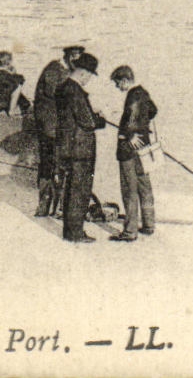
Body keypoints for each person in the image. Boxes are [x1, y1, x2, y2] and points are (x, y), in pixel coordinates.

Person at [55, 53, 108, 243]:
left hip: (68, 146)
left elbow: (74, 116)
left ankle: (70, 231)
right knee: (79, 190)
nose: (89, 80)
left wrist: (90, 115)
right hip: (80, 148)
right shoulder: (75, 90)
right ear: (84, 73)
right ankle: (75, 232)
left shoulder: (62, 88)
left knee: (71, 189)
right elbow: (87, 122)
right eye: (90, 75)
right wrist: (100, 119)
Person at [33, 46, 86, 217]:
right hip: (49, 125)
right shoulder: (54, 69)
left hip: (58, 125)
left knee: (59, 164)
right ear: (69, 56)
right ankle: (44, 205)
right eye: (75, 58)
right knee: (49, 163)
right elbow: (55, 93)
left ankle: (57, 206)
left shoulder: (66, 70)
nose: (77, 62)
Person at [109, 65, 158, 242]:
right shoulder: (144, 93)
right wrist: (142, 128)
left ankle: (130, 231)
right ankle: (149, 224)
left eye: (117, 83)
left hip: (128, 151)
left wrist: (130, 134)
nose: (117, 87)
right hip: (143, 147)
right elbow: (153, 110)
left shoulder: (132, 96)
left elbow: (129, 121)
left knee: (129, 189)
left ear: (124, 80)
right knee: (145, 187)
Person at [0, 50, 32, 117]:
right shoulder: (9, 77)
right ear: (9, 62)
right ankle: (12, 111)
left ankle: (3, 110)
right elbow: (15, 88)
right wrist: (14, 75)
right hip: (3, 104)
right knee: (17, 87)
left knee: (12, 88)